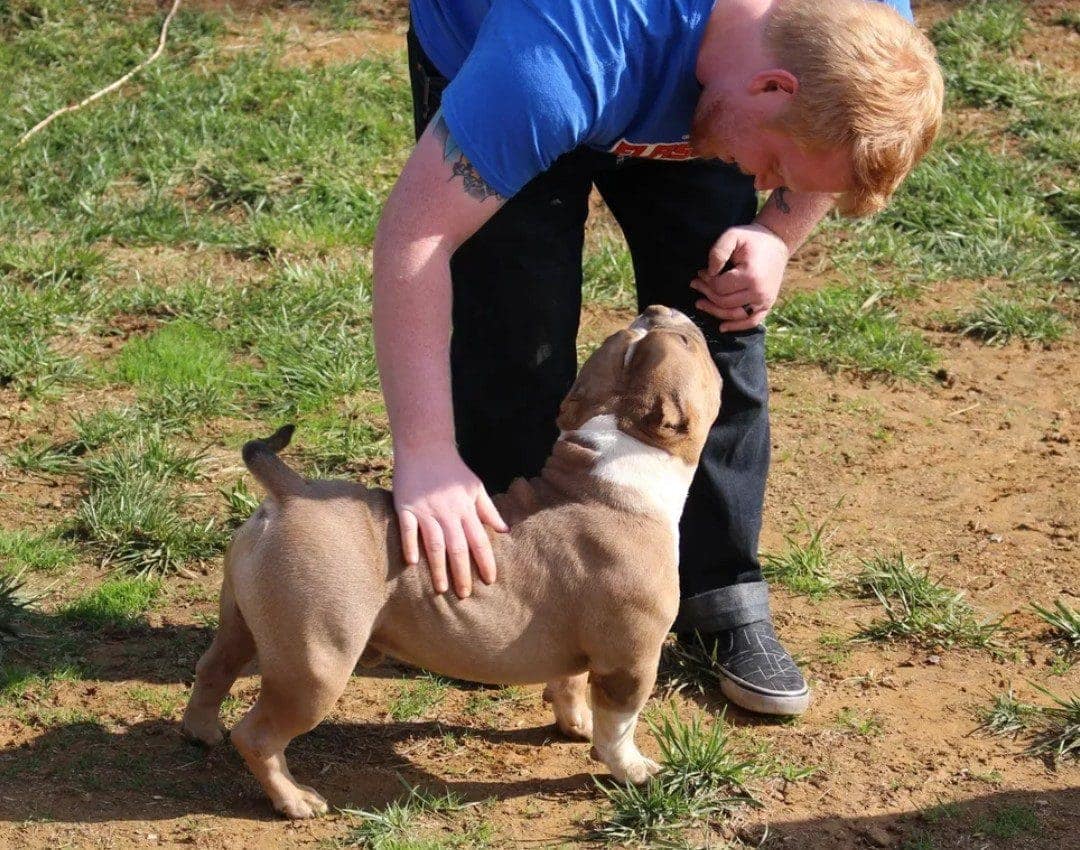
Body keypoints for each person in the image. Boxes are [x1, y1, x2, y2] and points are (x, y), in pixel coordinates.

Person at [372, 0, 943, 716]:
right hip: (532, 53)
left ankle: (719, 596)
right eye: (774, 168)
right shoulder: (557, 55)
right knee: (515, 335)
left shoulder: (860, 29)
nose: (767, 183)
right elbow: (416, 239)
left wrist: (776, 231)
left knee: (715, 321)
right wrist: (424, 451)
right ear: (774, 86)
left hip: (697, 82)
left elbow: (821, 157)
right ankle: (504, 593)